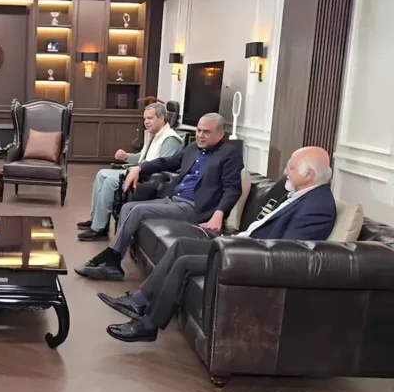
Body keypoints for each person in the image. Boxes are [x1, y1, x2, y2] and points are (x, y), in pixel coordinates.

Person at [99, 146, 337, 343]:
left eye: (290, 168)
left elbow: (287, 254)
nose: (285, 172)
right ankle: (138, 301)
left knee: (185, 263)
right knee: (181, 245)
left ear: (309, 174)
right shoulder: (298, 193)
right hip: (242, 245)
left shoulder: (317, 207)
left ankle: (148, 325)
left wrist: (239, 246)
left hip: (251, 258)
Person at [75, 112, 243, 281]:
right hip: (174, 200)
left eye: (206, 132)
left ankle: (111, 261)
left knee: (138, 211)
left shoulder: (230, 154)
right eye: (198, 130)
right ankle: (114, 261)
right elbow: (167, 162)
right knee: (128, 207)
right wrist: (138, 168)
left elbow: (233, 189)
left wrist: (219, 214)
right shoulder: (193, 148)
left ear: (220, 134)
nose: (200, 135)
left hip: (195, 208)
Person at [78, 103, 183, 241]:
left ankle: (99, 228)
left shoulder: (170, 139)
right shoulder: (154, 134)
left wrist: (138, 168)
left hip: (148, 178)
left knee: (110, 181)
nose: (146, 122)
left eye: (150, 118)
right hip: (139, 171)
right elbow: (143, 157)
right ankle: (96, 219)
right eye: (145, 119)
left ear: (162, 118)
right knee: (102, 174)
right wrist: (126, 156)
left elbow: (163, 165)